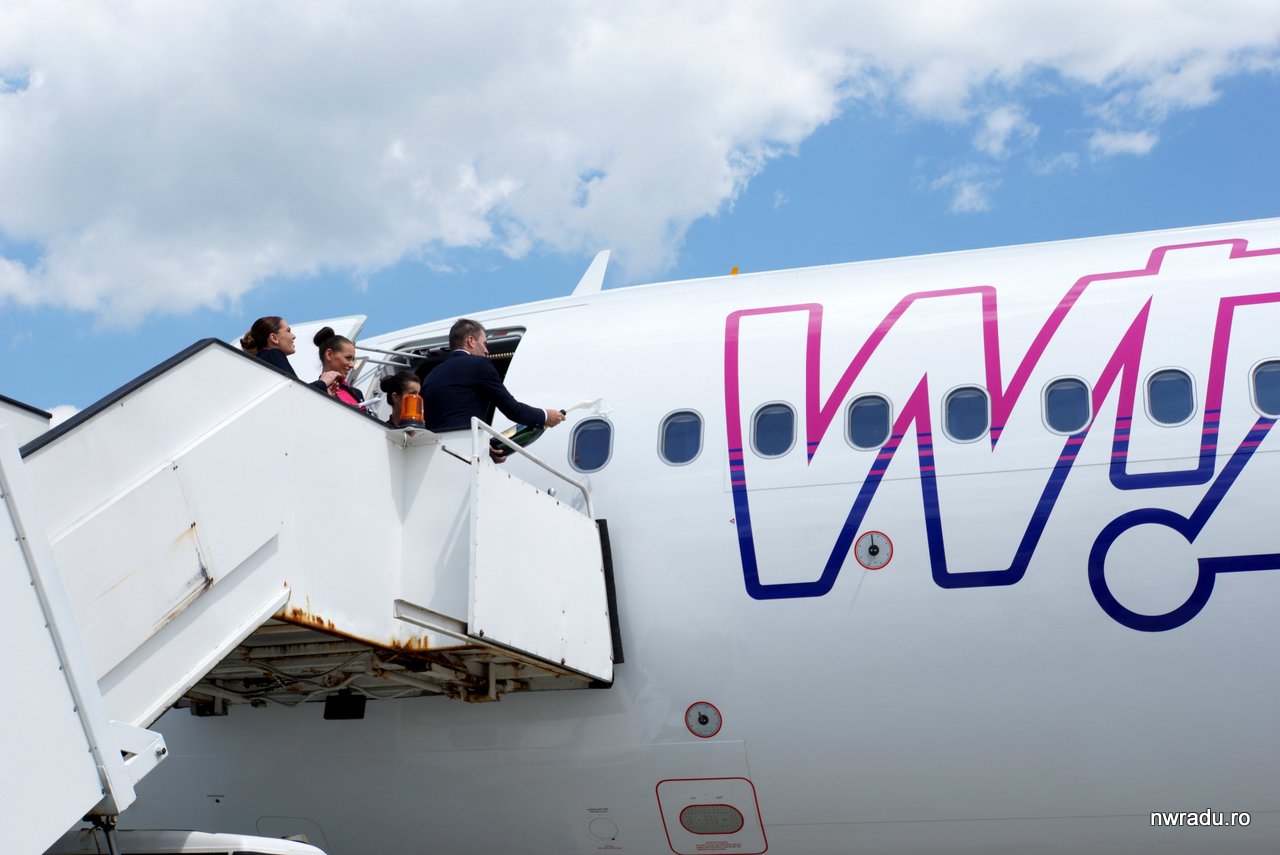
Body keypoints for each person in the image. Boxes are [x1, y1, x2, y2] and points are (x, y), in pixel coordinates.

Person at [421, 318, 564, 446]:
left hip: (434, 450)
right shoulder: (479, 364)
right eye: (484, 343)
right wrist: (545, 416)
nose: (486, 351)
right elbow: (513, 410)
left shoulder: (431, 376)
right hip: (466, 450)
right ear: (470, 341)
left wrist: (486, 448)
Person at [308, 327, 366, 409]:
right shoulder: (310, 391)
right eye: (347, 358)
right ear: (329, 355)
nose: (352, 365)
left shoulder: (357, 394)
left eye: (352, 359)